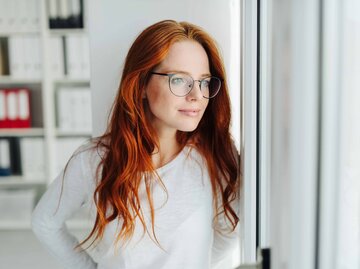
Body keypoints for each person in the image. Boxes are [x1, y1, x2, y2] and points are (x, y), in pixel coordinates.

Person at [32, 19, 241, 269]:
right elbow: (45, 222)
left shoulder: (215, 153)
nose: (196, 95)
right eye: (179, 80)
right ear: (141, 85)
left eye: (204, 82)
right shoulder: (94, 159)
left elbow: (230, 231)